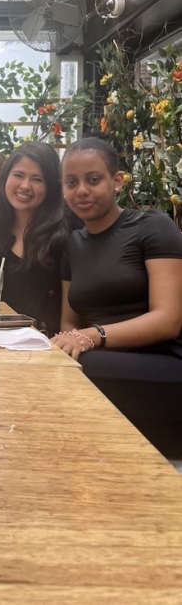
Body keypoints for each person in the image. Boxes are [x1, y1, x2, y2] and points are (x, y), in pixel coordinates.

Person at [52, 137, 182, 431]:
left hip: (163, 361)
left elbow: (168, 320)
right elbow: (68, 325)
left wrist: (93, 336)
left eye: (93, 179)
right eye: (71, 182)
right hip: (103, 363)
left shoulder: (152, 226)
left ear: (117, 181)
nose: (81, 190)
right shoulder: (72, 245)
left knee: (76, 370)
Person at [0, 142, 68, 335]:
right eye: (18, 175)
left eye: (37, 179)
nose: (25, 186)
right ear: (5, 178)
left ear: (51, 186)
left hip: (46, 342)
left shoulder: (63, 233)